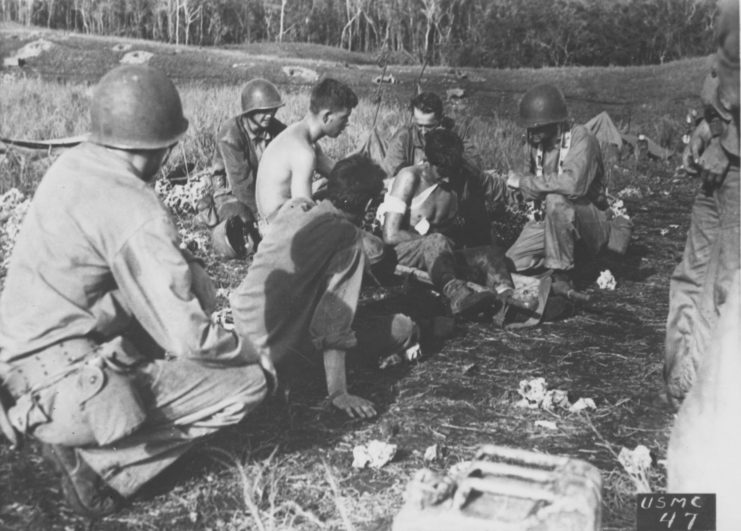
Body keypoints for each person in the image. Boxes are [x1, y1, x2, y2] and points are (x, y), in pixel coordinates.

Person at [0, 65, 269, 517]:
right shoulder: (134, 207)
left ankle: (78, 438)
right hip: (66, 392)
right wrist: (250, 350)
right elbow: (189, 338)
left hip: (17, 377)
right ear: (163, 147)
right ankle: (98, 466)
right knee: (250, 383)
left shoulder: (74, 165)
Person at [231, 155, 419, 419]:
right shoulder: (347, 238)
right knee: (403, 327)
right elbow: (333, 320)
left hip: (244, 331)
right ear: (365, 204)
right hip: (279, 351)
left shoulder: (294, 208)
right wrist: (339, 393)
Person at [663, 0, 739, 407]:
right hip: (721, 159)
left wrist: (728, 149)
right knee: (691, 277)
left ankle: (707, 405)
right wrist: (707, 127)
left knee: (724, 289)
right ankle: (680, 391)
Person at [381, 128, 516, 316]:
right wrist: (431, 240)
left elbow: (494, 191)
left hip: (443, 254)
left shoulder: (461, 176)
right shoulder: (409, 177)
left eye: (451, 171)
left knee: (490, 253)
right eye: (441, 171)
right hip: (405, 251)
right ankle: (456, 295)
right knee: (437, 240)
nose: (447, 178)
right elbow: (390, 235)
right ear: (427, 161)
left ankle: (509, 299)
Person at [504, 84, 611, 293]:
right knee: (511, 263)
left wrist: (525, 184)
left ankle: (563, 275)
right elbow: (523, 184)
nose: (533, 133)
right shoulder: (533, 144)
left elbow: (574, 186)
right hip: (551, 222)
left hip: (590, 222)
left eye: (539, 128)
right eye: (530, 128)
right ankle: (562, 258)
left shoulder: (582, 138)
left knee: (557, 199)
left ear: (556, 123)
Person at [199, 78, 286, 259]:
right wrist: (262, 219)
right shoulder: (231, 133)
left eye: (272, 110)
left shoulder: (275, 129)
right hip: (231, 193)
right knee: (244, 228)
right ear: (249, 111)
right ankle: (208, 215)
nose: (269, 115)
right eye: (263, 111)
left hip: (263, 191)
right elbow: (241, 183)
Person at [255, 78, 357, 228]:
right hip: (278, 227)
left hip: (278, 216)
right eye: (344, 117)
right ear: (326, 117)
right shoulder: (303, 152)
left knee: (332, 189)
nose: (347, 123)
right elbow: (303, 217)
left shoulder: (302, 137)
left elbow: (337, 172)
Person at [383, 91, 481, 178]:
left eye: (429, 126)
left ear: (440, 119)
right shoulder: (403, 137)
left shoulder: (456, 131)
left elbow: (474, 165)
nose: (424, 131)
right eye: (419, 125)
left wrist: (445, 143)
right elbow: (393, 171)